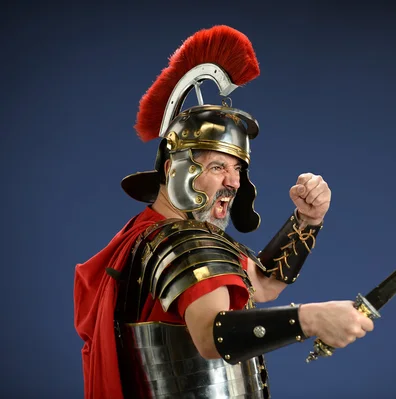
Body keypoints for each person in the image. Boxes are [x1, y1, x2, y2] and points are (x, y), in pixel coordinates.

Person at [73, 25, 374, 399]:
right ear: (174, 170)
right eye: (218, 167)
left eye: (238, 169)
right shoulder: (184, 242)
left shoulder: (152, 232)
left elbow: (261, 286)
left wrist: (307, 221)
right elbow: (211, 335)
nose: (233, 181)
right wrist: (311, 318)